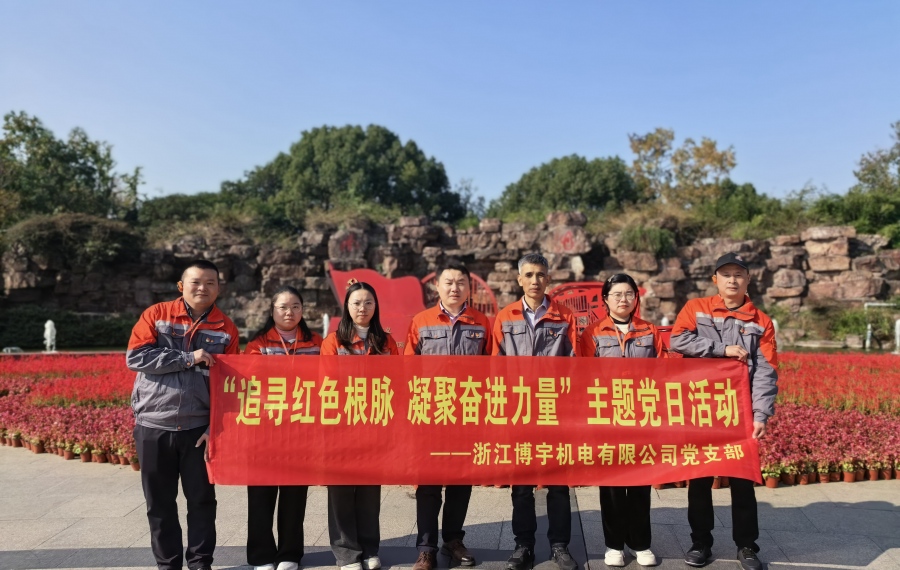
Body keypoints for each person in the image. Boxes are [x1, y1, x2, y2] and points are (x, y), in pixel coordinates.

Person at [127, 259, 239, 570]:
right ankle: (168, 565)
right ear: (181, 286)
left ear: (219, 288)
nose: (203, 288)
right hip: (153, 425)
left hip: (198, 430)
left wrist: (216, 428)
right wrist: (188, 358)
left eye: (210, 283)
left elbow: (231, 385)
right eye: (196, 282)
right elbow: (136, 357)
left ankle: (200, 563)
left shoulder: (226, 328)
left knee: (202, 502)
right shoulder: (156, 315)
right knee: (159, 504)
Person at [670, 253, 778, 570]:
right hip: (701, 408)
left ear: (748, 279)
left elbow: (766, 370)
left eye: (739, 274)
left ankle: (747, 546)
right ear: (715, 279)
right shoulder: (696, 308)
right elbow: (678, 340)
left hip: (739, 412)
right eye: (726, 274)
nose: (732, 280)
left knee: (742, 482)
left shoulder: (761, 321)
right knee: (699, 480)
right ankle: (700, 543)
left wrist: (760, 414)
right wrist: (722, 349)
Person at [492, 253, 579, 570]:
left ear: (548, 279)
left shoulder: (564, 317)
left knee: (558, 483)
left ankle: (560, 546)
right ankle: (523, 545)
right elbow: (496, 366)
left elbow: (575, 364)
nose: (535, 280)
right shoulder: (505, 317)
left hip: (554, 410)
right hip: (518, 411)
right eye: (528, 275)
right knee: (522, 485)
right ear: (519, 279)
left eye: (540, 275)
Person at [405, 261, 492, 570]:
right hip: (430, 414)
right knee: (428, 484)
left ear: (469, 288)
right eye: (449, 282)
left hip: (467, 413)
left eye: (460, 283)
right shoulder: (421, 321)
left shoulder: (482, 322)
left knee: (460, 481)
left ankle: (453, 540)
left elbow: (492, 368)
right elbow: (407, 368)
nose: (454, 288)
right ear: (437, 286)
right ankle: (426, 549)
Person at [580, 274, 663, 568]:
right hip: (608, 417)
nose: (623, 299)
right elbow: (584, 375)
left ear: (636, 298)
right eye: (616, 294)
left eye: (628, 294)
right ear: (605, 299)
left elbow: (664, 370)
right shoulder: (593, 333)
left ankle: (641, 543)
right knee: (612, 485)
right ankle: (614, 544)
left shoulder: (649, 331)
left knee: (640, 482)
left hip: (642, 416)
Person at [321, 280, 399, 570]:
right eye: (356, 303)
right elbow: (327, 384)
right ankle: (346, 553)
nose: (362, 308)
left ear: (375, 306)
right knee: (340, 490)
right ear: (347, 306)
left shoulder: (386, 342)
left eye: (368, 302)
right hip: (341, 425)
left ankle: (369, 550)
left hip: (375, 423)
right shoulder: (333, 342)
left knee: (369, 490)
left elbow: (397, 382)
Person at [244, 286, 323, 570]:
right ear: (272, 310)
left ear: (303, 310)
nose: (289, 312)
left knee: (294, 496)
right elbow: (251, 381)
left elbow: (327, 379)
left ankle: (290, 554)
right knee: (261, 496)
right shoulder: (258, 343)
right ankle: (262, 555)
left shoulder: (316, 342)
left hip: (300, 430)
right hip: (265, 430)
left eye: (295, 307)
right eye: (283, 307)